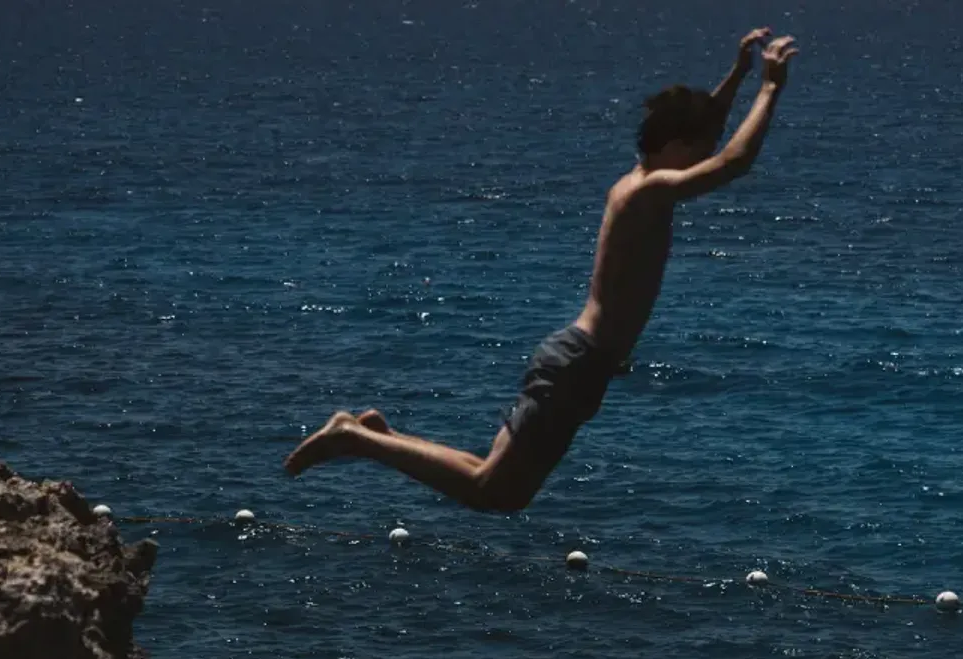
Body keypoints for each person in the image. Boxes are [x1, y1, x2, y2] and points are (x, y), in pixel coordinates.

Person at [283, 30, 799, 512]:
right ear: (672, 147)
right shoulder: (647, 192)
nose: (704, 157)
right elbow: (734, 162)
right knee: (496, 494)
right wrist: (770, 88)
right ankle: (356, 438)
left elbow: (705, 135)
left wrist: (738, 73)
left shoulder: (645, 181)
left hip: (580, 364)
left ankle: (374, 434)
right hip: (576, 365)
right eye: (696, 149)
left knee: (496, 480)